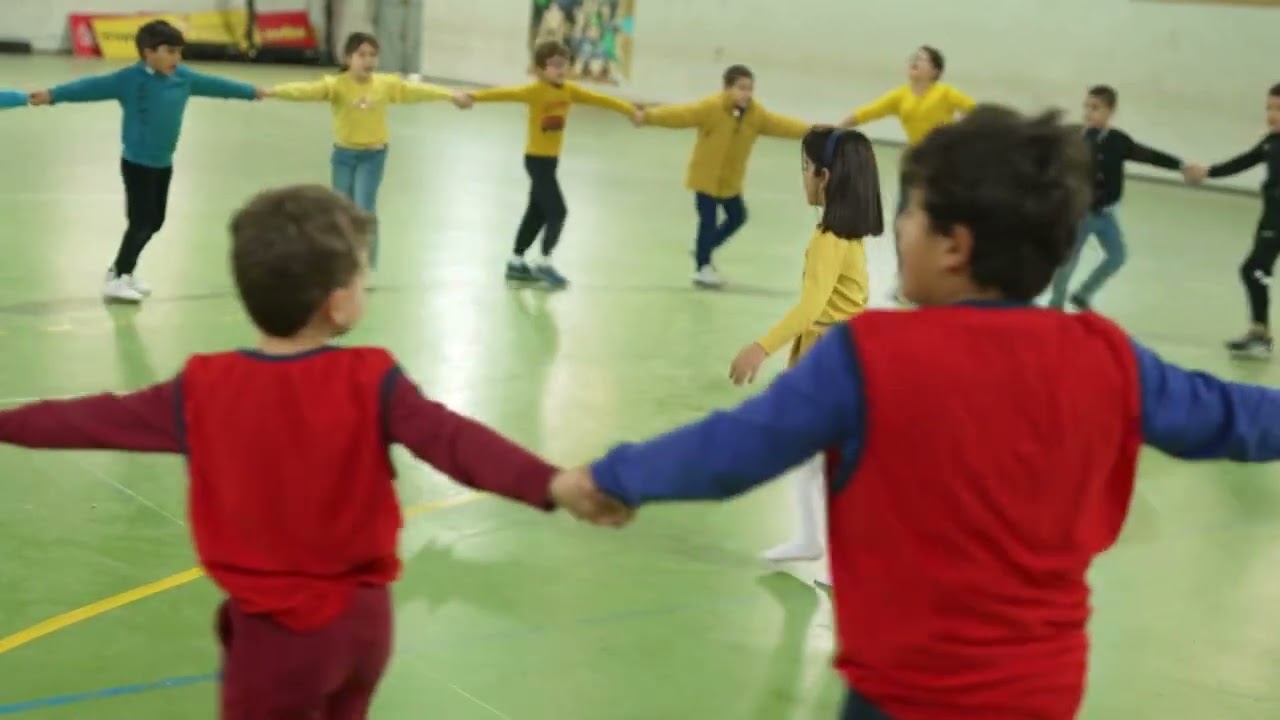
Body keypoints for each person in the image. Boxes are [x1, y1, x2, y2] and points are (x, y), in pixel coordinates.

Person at [552, 106, 1280, 719]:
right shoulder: (1107, 358)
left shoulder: (869, 355)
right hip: (1042, 695)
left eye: (911, 214)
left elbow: (736, 448)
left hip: (901, 696)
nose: (896, 228)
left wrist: (612, 476)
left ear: (955, 246)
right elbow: (1238, 418)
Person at [0, 185, 628, 718]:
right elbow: (454, 441)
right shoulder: (372, 378)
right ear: (338, 303)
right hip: (365, 628)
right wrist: (549, 482)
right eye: (362, 275)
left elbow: (87, 419)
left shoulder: (203, 389)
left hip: (277, 642)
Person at [728, 127, 881, 578]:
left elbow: (812, 308)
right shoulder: (845, 237)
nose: (803, 177)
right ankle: (813, 538)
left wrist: (760, 347)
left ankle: (843, 558)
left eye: (805, 168)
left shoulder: (828, 241)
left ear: (824, 176)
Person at [28, 20, 264, 303]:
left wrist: (251, 91)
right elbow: (90, 87)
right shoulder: (129, 79)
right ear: (148, 52)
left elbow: (217, 85)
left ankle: (122, 270)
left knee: (155, 221)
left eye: (179, 52)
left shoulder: (184, 78)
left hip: (163, 162)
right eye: (170, 51)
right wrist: (52, 95)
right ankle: (119, 277)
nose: (177, 58)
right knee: (141, 222)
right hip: (137, 164)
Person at [268, 32, 467, 274]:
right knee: (341, 211)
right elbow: (306, 90)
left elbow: (417, 90)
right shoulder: (337, 85)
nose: (368, 60)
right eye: (361, 55)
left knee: (364, 209)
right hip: (344, 156)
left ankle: (364, 266)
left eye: (373, 55)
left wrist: (449, 95)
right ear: (348, 58)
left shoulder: (385, 85)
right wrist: (273, 91)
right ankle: (342, 262)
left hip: (372, 157)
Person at [456, 41, 636, 289]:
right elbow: (503, 93)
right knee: (558, 211)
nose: (561, 69)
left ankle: (516, 262)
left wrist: (629, 110)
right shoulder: (535, 91)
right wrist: (472, 96)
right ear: (541, 69)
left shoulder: (570, 91)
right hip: (536, 160)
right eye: (554, 65)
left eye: (564, 64)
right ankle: (544, 262)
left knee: (537, 213)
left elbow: (601, 99)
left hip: (551, 162)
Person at [633, 64, 811, 288]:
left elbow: (782, 125)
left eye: (750, 89)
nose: (746, 94)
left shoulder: (756, 114)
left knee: (738, 217)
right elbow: (680, 115)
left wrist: (812, 131)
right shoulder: (711, 107)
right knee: (707, 222)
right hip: (706, 178)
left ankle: (704, 249)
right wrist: (649, 116)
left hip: (730, 181)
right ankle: (702, 268)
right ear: (727, 88)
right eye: (741, 88)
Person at [839, 46, 974, 302]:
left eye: (922, 59)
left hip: (941, 168)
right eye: (913, 58)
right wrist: (839, 127)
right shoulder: (900, 96)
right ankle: (905, 278)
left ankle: (947, 279)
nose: (915, 62)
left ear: (934, 70)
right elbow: (869, 111)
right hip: (915, 167)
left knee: (942, 222)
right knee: (905, 221)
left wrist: (959, 139)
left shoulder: (945, 94)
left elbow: (975, 111)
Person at [1047, 85, 1185, 311]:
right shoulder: (1076, 137)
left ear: (1110, 110)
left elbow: (1149, 155)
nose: (1088, 113)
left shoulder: (1118, 141)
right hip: (1081, 214)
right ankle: (1056, 304)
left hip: (1106, 215)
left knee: (1117, 256)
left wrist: (1180, 165)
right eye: (1087, 107)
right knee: (1069, 260)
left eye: (1095, 108)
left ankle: (1083, 293)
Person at [1184, 83, 1280, 360]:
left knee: (1254, 270)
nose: (1271, 114)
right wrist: (1208, 172)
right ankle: (1259, 334)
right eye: (1269, 108)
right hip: (1271, 216)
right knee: (1255, 270)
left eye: (1278, 109)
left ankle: (1261, 335)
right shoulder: (1270, 141)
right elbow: (1243, 162)